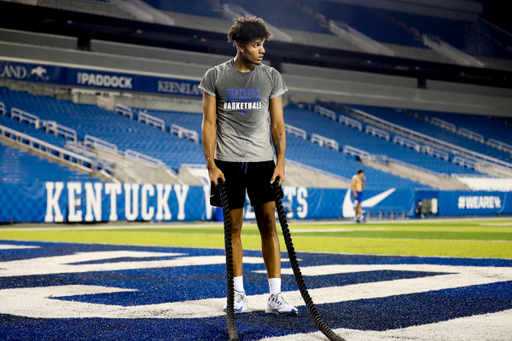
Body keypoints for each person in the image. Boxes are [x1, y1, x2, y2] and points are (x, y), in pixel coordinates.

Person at [199, 16, 298, 316]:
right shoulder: (215, 76)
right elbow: (209, 123)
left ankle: (275, 296)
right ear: (240, 46)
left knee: (269, 226)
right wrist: (211, 166)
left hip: (262, 164)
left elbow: (278, 126)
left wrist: (280, 163)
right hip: (228, 163)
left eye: (263, 45)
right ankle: (238, 294)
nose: (262, 50)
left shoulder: (271, 77)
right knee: (235, 230)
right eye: (256, 45)